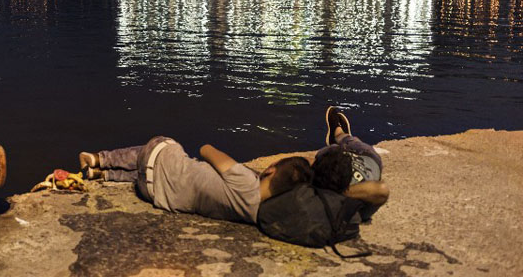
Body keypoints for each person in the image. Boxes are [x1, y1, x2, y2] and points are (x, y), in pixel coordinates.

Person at [79, 136, 312, 224]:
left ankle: (100, 159)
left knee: (165, 145)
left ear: (270, 170)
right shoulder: (258, 214)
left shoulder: (245, 181)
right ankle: (106, 176)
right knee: (156, 171)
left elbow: (206, 149)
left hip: (153, 167)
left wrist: (240, 168)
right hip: (155, 194)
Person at [312, 106, 389, 220]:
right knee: (349, 142)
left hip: (340, 167)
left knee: (329, 152)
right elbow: (382, 190)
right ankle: (340, 134)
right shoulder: (355, 207)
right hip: (367, 159)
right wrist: (341, 193)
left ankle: (337, 134)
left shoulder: (311, 198)